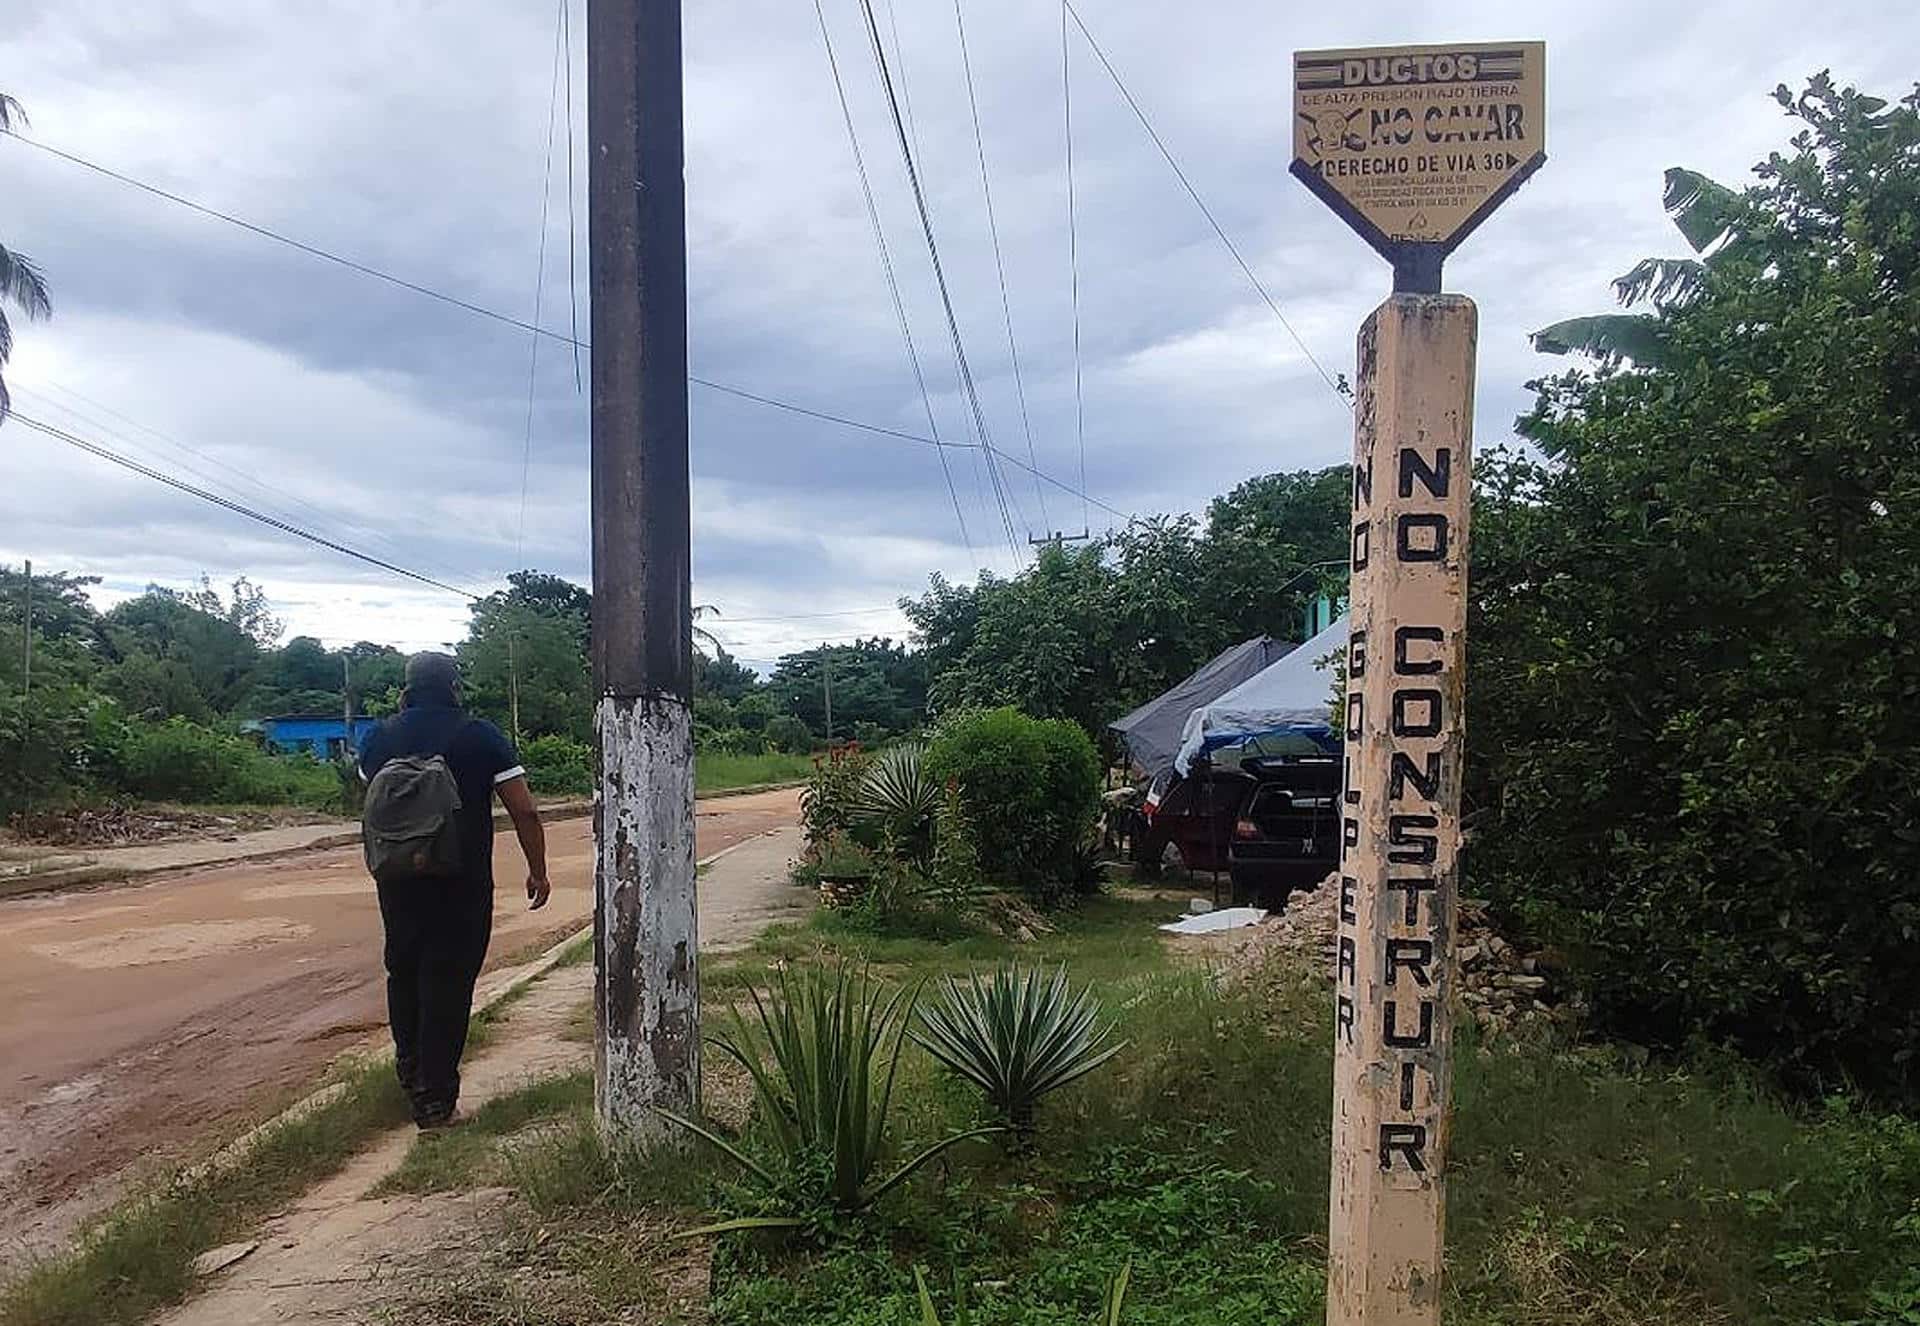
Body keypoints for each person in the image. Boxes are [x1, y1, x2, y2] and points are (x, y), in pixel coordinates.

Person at [357, 651, 551, 1128]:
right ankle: (435, 1100)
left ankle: (411, 1073)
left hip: (396, 878)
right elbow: (523, 810)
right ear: (455, 687)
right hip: (460, 881)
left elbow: (372, 802)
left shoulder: (380, 737)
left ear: (406, 688)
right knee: (448, 981)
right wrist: (537, 871)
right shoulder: (478, 735)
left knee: (402, 972)